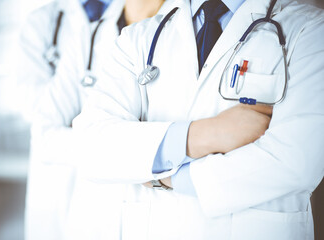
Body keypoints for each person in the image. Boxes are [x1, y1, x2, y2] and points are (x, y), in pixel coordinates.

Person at [72, 0, 324, 239]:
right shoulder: (139, 37)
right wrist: (205, 135)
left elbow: (297, 160)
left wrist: (166, 177)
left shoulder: (310, 31)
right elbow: (90, 147)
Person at [18, 0, 124, 239]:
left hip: (109, 192)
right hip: (53, 182)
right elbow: (37, 113)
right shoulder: (42, 22)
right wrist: (107, 133)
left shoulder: (136, 16)